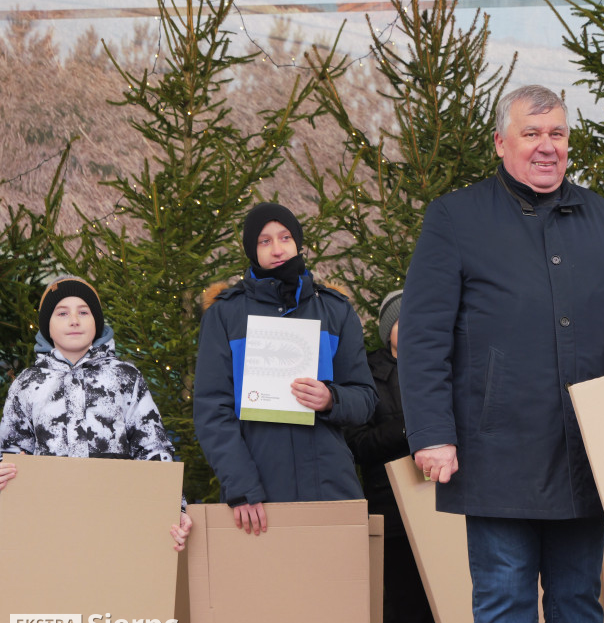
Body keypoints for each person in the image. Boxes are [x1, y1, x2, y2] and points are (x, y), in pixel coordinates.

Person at [399, 85, 604, 623]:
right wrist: (433, 434)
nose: (546, 147)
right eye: (531, 134)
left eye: (556, 133)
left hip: (586, 453)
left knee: (578, 600)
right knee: (504, 599)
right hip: (495, 453)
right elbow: (423, 336)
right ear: (500, 142)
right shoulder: (455, 218)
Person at [193, 202, 377, 536]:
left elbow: (365, 398)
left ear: (297, 242)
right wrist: (242, 487)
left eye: (285, 237)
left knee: (335, 587)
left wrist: (331, 399)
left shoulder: (335, 311)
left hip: (330, 488)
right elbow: (211, 410)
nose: (277, 249)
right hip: (259, 496)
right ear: (252, 248)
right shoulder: (224, 316)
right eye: (265, 241)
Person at [0, 275, 191, 551]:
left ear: (97, 322)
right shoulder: (28, 383)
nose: (74, 320)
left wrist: (175, 507)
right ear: (47, 327)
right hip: (49, 521)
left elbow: (152, 447)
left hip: (117, 516)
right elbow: (11, 448)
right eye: (62, 313)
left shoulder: (125, 377)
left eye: (84, 312)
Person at [344, 290, 442, 623]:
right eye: (404, 320)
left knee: (449, 612)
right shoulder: (367, 376)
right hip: (394, 513)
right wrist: (409, 428)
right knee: (406, 615)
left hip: (444, 509)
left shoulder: (441, 368)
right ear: (388, 330)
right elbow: (359, 444)